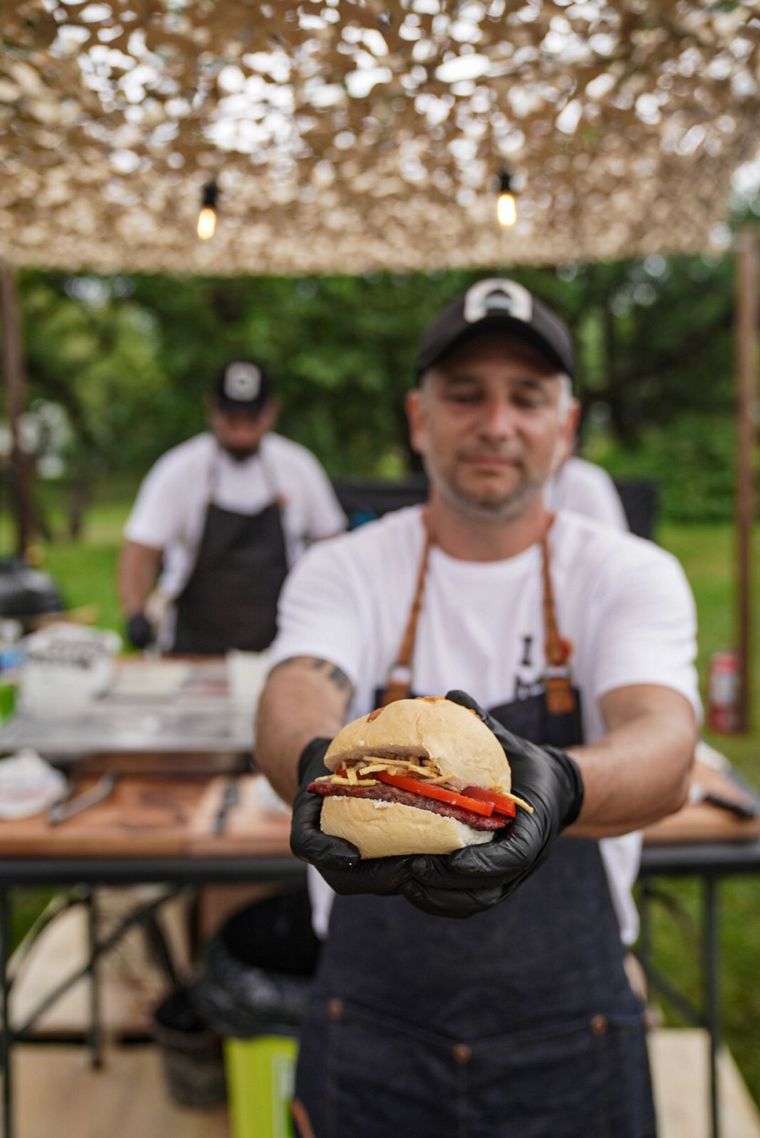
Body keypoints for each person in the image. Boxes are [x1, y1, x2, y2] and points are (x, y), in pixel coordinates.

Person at [255, 277, 699, 1138]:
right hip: (368, 1030)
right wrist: (314, 765)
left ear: (564, 429)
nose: (496, 425)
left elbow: (666, 745)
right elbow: (295, 689)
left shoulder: (626, 574)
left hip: (573, 1034)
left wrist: (562, 785)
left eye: (526, 399)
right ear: (420, 420)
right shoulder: (346, 569)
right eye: (465, 396)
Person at [119, 358, 346, 654]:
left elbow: (333, 545)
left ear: (272, 411)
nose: (241, 429)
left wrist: (333, 613)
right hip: (194, 646)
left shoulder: (298, 468)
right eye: (231, 417)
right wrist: (136, 614)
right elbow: (140, 550)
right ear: (211, 408)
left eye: (251, 418)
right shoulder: (180, 470)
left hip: (282, 644)